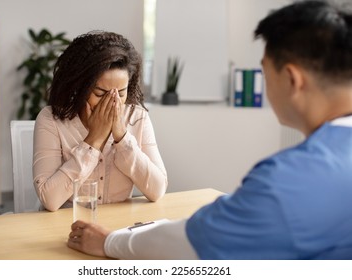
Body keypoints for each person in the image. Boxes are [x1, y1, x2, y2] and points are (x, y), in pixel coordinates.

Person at [67, 1, 352, 259]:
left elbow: (196, 243)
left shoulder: (291, 179)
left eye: (265, 72)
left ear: (291, 79)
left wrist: (109, 242)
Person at [33, 31, 168, 212]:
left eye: (121, 93)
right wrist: (93, 141)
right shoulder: (51, 119)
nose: (112, 102)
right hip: (66, 224)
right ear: (79, 87)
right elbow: (49, 200)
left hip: (116, 228)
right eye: (100, 94)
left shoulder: (137, 118)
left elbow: (157, 190)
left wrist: (122, 137)